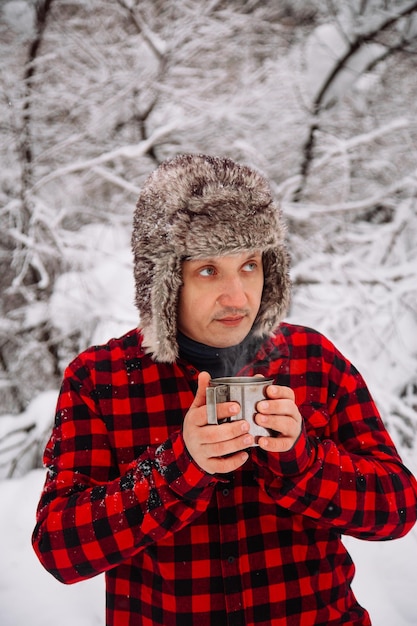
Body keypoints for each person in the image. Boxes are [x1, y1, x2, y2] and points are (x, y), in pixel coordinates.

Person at [32, 154, 417, 626]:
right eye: (209, 270)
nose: (238, 297)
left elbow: (397, 509)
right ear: (164, 280)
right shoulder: (103, 379)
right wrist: (179, 467)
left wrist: (302, 459)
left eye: (250, 265)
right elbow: (59, 549)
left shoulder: (312, 360)